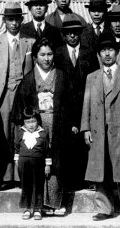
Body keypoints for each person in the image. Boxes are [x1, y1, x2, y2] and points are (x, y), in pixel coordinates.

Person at [81, 31, 120, 223]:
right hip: (98, 130)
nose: (107, 54)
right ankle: (104, 208)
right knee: (100, 169)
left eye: (111, 49)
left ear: (117, 52)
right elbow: (86, 105)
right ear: (98, 54)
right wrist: (85, 128)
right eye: (103, 50)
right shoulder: (92, 77)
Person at [11, 37, 76, 216]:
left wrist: (71, 123)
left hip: (57, 124)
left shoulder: (62, 76)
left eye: (49, 54)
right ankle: (36, 204)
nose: (46, 58)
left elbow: (70, 103)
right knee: (36, 162)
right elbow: (21, 108)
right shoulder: (28, 79)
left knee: (55, 162)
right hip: (35, 125)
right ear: (35, 57)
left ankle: (53, 203)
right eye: (42, 54)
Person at [0, 1, 34, 189]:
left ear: (21, 20)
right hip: (2, 95)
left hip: (22, 95)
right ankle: (4, 176)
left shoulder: (29, 42)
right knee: (3, 135)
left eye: (17, 19)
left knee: (21, 133)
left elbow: (31, 71)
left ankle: (21, 176)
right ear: (4, 21)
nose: (14, 23)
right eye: (10, 19)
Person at [53, 14, 97, 190]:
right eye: (69, 33)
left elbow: (95, 79)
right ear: (64, 34)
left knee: (84, 142)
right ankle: (69, 181)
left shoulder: (89, 52)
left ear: (80, 33)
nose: (72, 36)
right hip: (64, 106)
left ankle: (87, 178)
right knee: (66, 143)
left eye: (75, 32)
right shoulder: (57, 53)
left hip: (84, 103)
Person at [13, 106, 51, 221]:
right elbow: (16, 148)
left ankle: (38, 209)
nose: (31, 125)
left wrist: (47, 165)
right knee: (26, 185)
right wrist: (17, 162)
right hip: (23, 164)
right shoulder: (20, 132)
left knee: (38, 185)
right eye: (27, 122)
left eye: (33, 121)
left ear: (38, 121)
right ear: (24, 123)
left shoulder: (43, 133)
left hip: (38, 164)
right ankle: (27, 208)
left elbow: (47, 150)